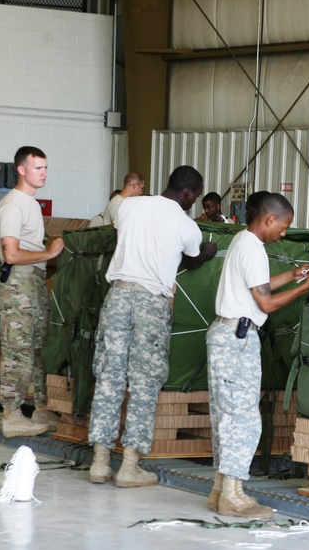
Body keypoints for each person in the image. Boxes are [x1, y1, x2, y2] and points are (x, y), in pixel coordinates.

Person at [88, 166, 218, 487]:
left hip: (117, 298)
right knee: (144, 383)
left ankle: (100, 462)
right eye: (197, 196)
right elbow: (190, 261)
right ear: (188, 194)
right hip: (151, 302)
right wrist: (207, 253)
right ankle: (130, 466)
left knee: (109, 377)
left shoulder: (129, 205)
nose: (196, 201)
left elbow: (122, 228)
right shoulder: (188, 226)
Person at [206, 193, 309, 517]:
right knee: (242, 419)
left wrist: (293, 275)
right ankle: (233, 495)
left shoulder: (243, 243)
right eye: (284, 226)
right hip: (238, 340)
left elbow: (258, 286)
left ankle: (221, 489)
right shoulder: (253, 249)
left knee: (227, 417)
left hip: (227, 335)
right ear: (270, 219)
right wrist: (307, 288)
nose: (284, 234)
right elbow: (266, 303)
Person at [0, 146, 65, 437]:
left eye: (46, 167)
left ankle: (40, 408)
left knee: (37, 348)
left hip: (33, 281)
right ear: (21, 169)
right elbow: (10, 254)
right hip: (18, 282)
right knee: (18, 350)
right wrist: (48, 252)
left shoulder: (31, 204)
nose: (44, 173)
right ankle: (12, 414)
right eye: (38, 168)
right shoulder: (13, 204)